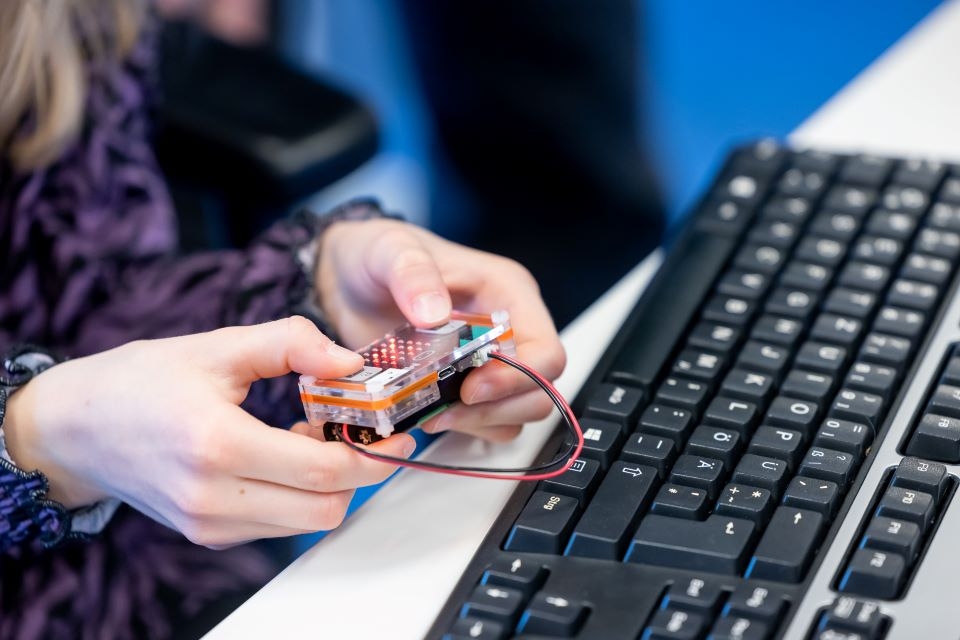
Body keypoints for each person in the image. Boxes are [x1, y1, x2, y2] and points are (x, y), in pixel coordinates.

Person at [0, 2, 564, 638]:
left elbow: (98, 298)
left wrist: (313, 282)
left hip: (162, 566)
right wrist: (32, 439)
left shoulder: (74, 18)